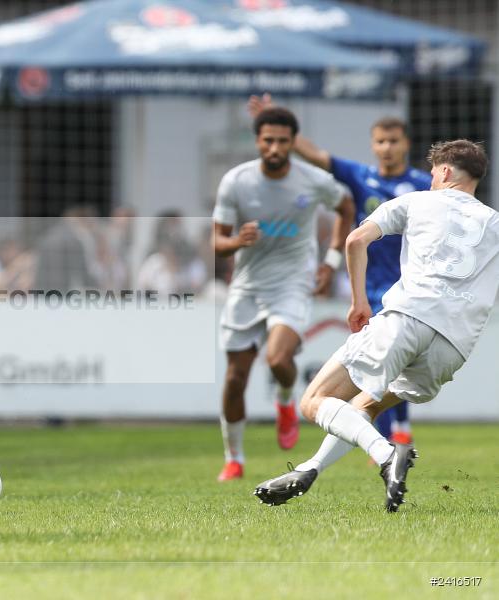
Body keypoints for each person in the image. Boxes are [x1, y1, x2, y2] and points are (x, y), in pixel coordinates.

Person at [254, 140, 497, 512]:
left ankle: (387, 454)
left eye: (434, 173)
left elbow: (355, 240)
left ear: (445, 172)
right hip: (454, 346)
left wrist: (359, 301)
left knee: (314, 401)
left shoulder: (416, 201)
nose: (431, 179)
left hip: (409, 317)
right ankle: (309, 469)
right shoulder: (494, 223)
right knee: (363, 407)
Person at [249, 94, 431, 446]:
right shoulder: (360, 176)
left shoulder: (423, 185)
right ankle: (392, 435)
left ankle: (393, 432)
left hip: (411, 286)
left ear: (406, 144)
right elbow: (317, 155)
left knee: (394, 362)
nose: (387, 148)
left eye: (393, 141)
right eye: (380, 141)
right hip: (371, 288)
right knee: (380, 362)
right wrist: (274, 119)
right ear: (373, 145)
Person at [212, 107, 355, 481]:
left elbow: (345, 205)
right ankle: (234, 457)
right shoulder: (236, 181)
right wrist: (235, 241)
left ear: (293, 142)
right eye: (268, 140)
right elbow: (216, 241)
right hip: (247, 286)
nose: (275, 147)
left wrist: (331, 260)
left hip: (293, 283)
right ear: (257, 141)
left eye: (282, 141)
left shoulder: (312, 180)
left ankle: (286, 401)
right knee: (234, 378)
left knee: (277, 359)